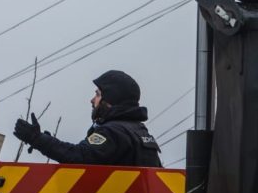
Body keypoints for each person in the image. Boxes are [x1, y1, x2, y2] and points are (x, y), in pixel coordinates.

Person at [13, 70, 162, 167]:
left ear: (110, 98)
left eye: (97, 94)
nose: (92, 100)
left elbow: (78, 156)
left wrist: (37, 139)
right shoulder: (140, 131)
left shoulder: (113, 132)